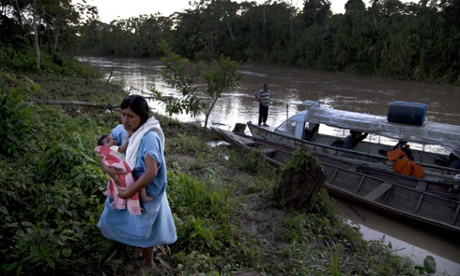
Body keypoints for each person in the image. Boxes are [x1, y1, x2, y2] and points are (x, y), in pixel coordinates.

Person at [97, 95, 177, 271]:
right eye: (123, 114)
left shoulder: (149, 138)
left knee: (143, 227)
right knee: (126, 220)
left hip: (146, 189)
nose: (126, 120)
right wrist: (106, 168)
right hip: (126, 184)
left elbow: (151, 172)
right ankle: (133, 244)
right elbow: (105, 150)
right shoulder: (121, 131)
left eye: (131, 116)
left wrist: (127, 193)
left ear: (142, 116)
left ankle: (148, 263)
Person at [96, 134, 153, 209]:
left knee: (132, 186)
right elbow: (122, 149)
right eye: (108, 141)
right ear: (104, 147)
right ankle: (142, 199)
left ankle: (138, 202)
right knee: (136, 184)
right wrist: (127, 139)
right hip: (124, 170)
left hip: (124, 170)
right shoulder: (113, 148)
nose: (113, 141)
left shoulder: (110, 152)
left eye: (113, 139)